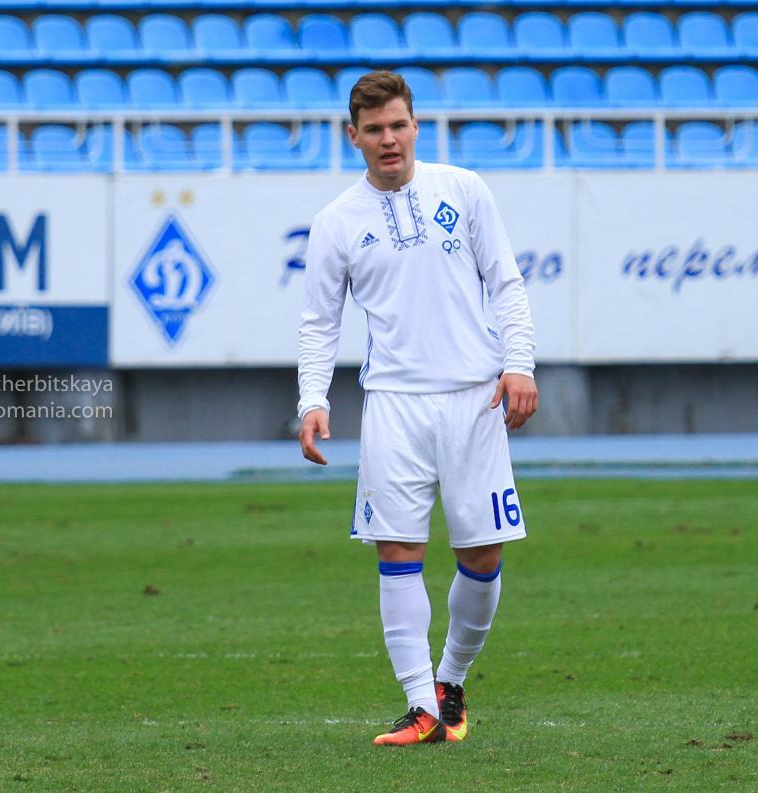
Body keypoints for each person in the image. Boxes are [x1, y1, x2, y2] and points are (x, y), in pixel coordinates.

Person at [296, 71, 538, 746]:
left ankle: (450, 680)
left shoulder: (463, 189)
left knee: (483, 556)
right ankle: (419, 705)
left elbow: (506, 282)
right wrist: (313, 400)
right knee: (398, 551)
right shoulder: (336, 222)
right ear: (353, 136)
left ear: (415, 126)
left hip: (474, 398)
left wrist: (519, 362)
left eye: (398, 125)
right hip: (394, 405)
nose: (388, 139)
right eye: (374, 129)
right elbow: (319, 321)